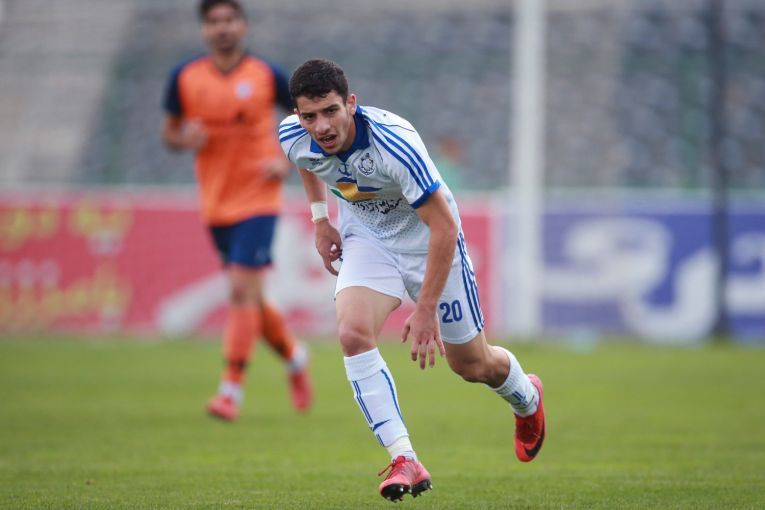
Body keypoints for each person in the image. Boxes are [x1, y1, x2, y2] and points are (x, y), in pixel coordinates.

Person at [280, 59, 546, 502]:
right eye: (310, 116)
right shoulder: (294, 134)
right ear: (298, 115)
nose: (321, 126)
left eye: (330, 111)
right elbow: (306, 160)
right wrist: (321, 219)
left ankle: (527, 397)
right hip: (369, 237)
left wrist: (425, 309)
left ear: (351, 104)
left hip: (429, 241)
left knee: (472, 365)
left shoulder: (394, 145)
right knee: (352, 333)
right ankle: (404, 457)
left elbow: (444, 227)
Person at [161, 0, 312, 421]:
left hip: (259, 198)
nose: (223, 27)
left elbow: (308, 120)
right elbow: (169, 133)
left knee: (240, 291)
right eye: (214, 21)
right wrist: (184, 139)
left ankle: (230, 390)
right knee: (253, 297)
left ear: (243, 26)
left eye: (230, 19)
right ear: (204, 29)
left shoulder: (266, 74)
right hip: (215, 204)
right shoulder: (185, 77)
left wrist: (285, 162)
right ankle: (295, 357)